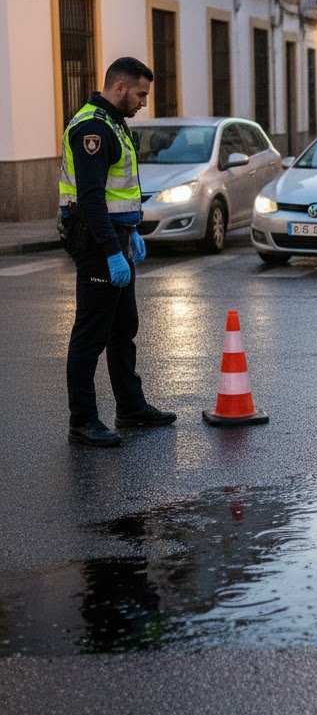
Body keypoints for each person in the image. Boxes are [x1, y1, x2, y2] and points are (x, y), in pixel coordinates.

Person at [59, 56, 176, 447]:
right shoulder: (93, 127)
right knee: (90, 334)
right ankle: (83, 421)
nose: (144, 101)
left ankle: (130, 407)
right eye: (141, 94)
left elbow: (116, 193)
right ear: (120, 87)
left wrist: (132, 232)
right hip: (97, 244)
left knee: (123, 328)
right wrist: (111, 250)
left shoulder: (114, 124)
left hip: (117, 239)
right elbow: (91, 198)